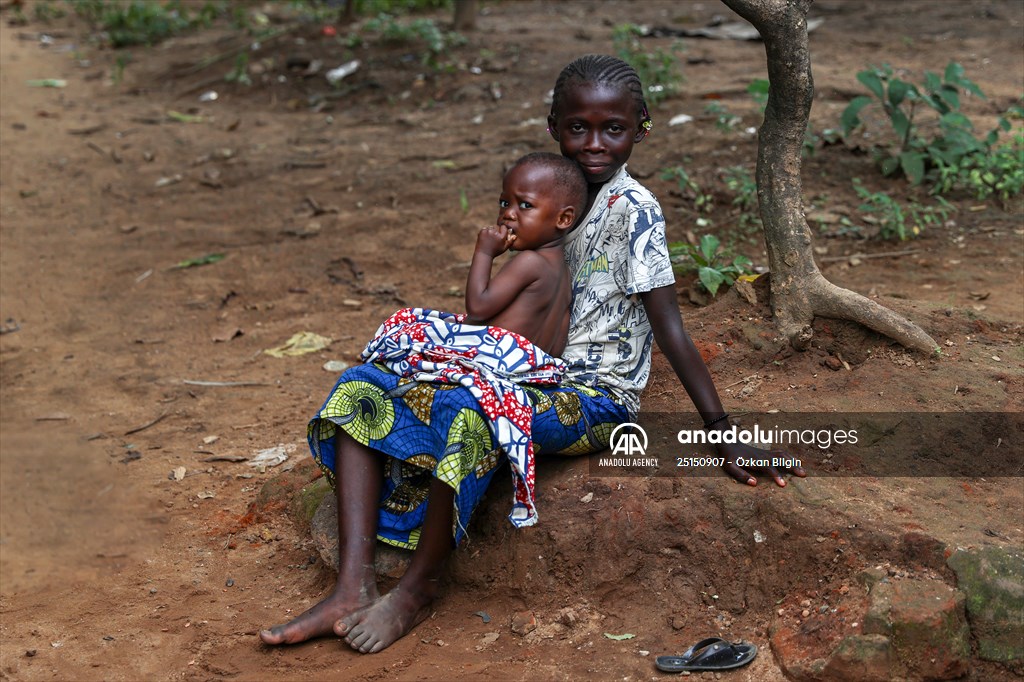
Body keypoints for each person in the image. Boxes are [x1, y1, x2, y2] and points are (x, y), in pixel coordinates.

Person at [260, 54, 804, 655]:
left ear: (641, 128)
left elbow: (670, 327)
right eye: (578, 128)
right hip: (531, 375)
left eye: (614, 129)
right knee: (363, 384)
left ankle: (417, 589)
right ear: (555, 127)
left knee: (479, 413)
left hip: (594, 398)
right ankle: (350, 586)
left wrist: (720, 432)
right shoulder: (550, 192)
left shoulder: (635, 211)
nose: (594, 143)